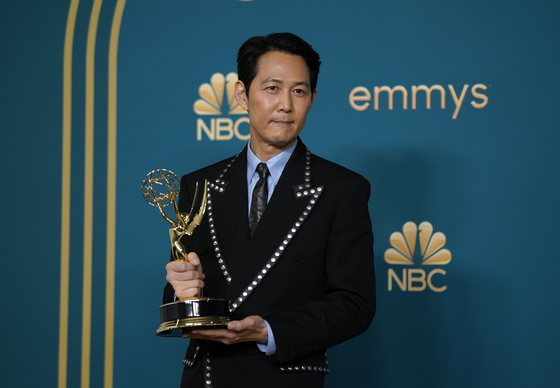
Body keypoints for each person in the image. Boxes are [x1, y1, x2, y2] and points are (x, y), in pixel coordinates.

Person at [164, 32, 376, 388]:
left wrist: (269, 331)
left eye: (299, 91)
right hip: (208, 376)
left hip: (285, 376)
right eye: (272, 88)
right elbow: (181, 295)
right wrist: (180, 291)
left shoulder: (341, 189)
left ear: (312, 99)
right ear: (242, 95)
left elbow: (355, 305)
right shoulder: (198, 185)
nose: (286, 105)